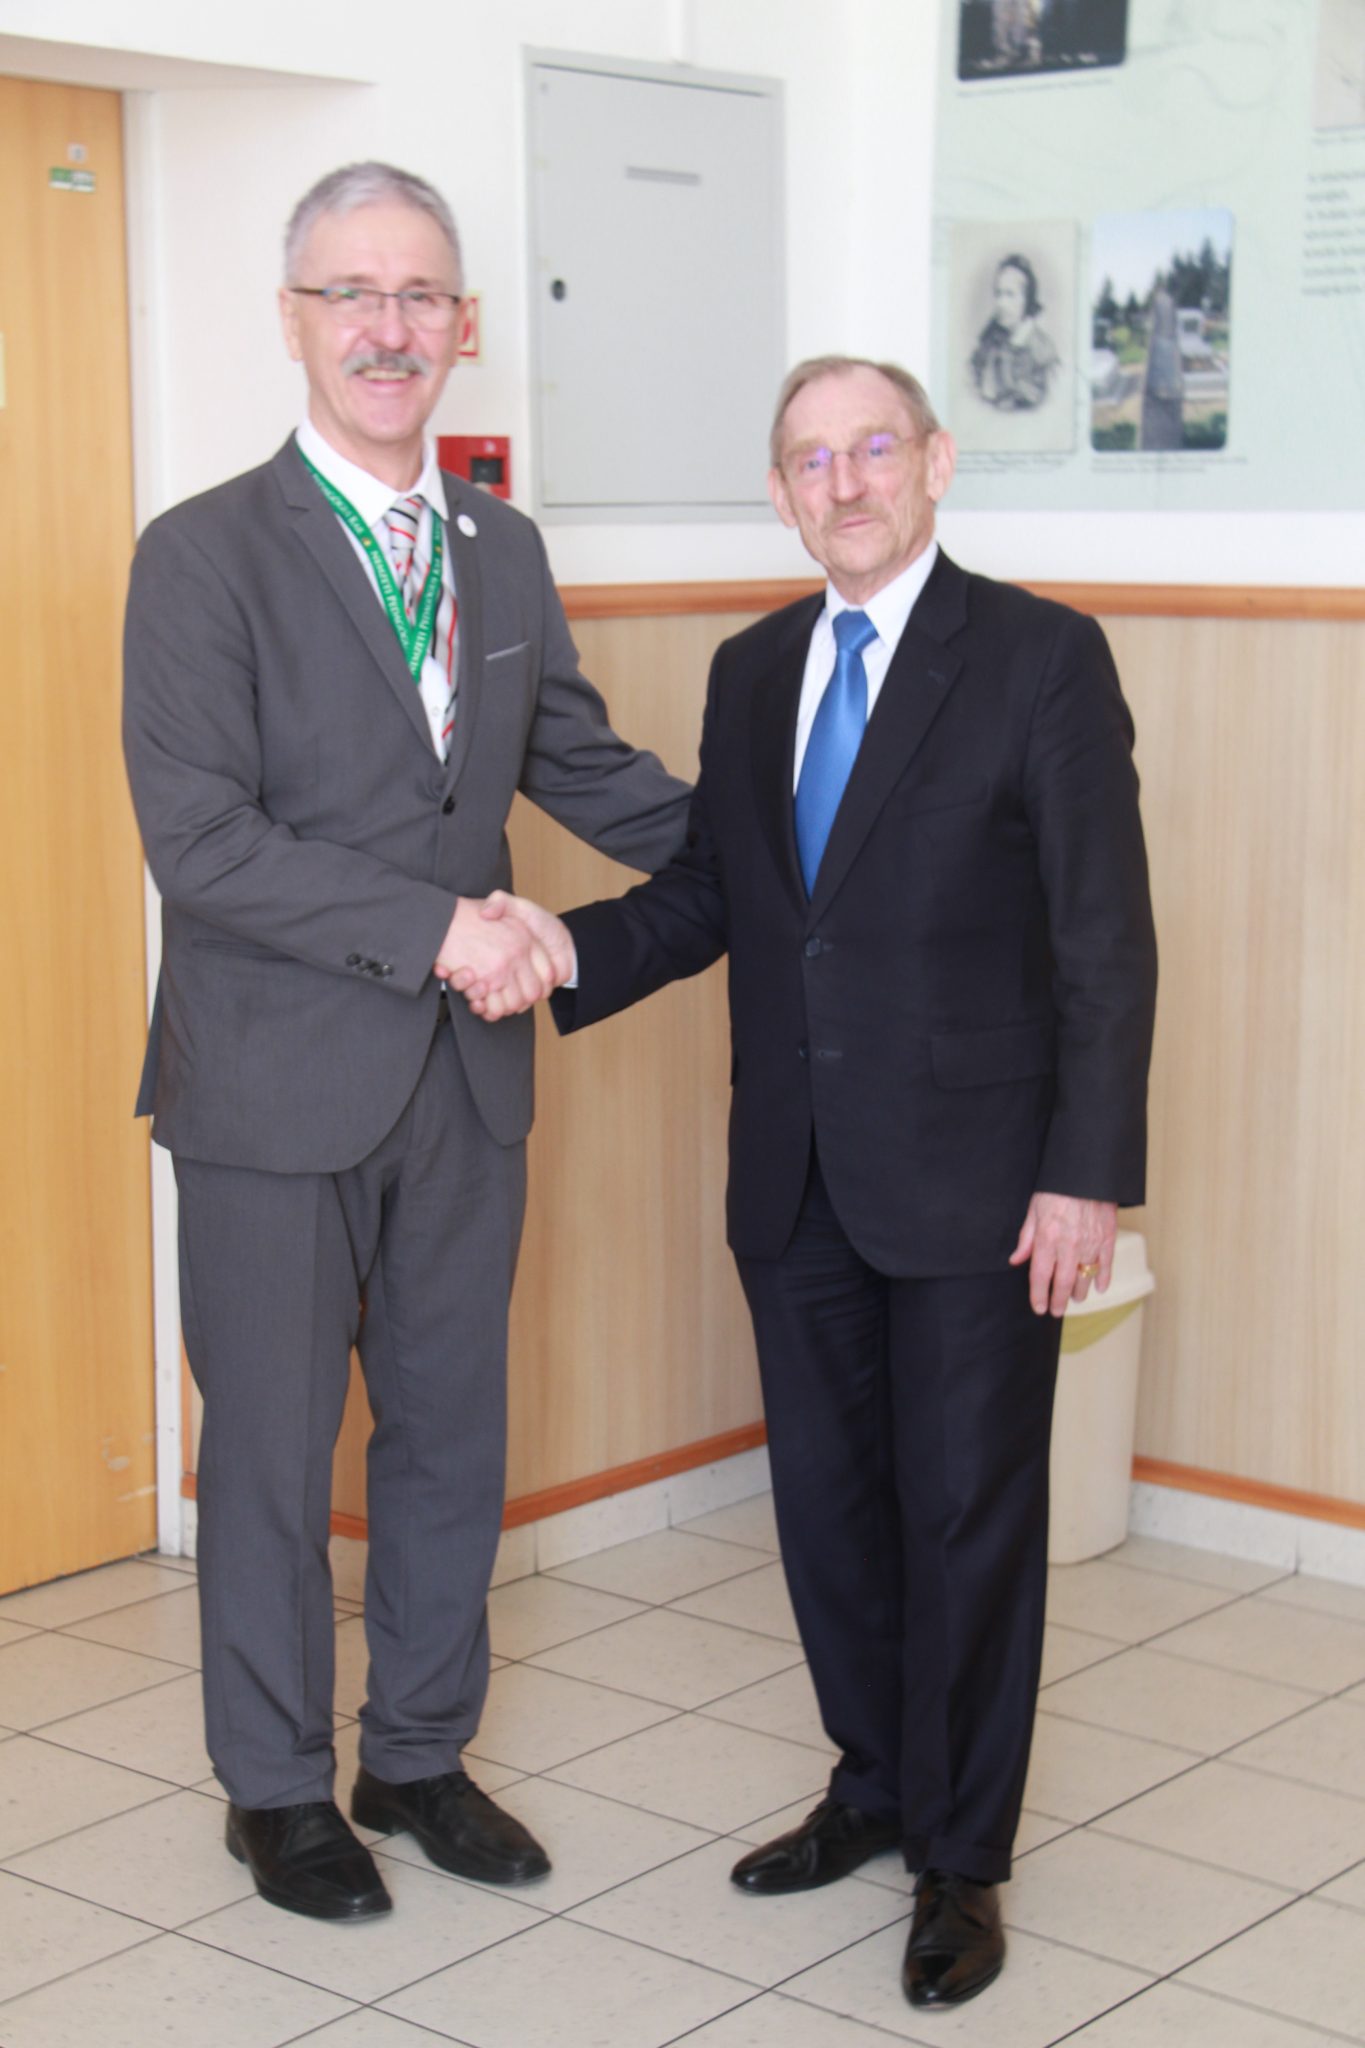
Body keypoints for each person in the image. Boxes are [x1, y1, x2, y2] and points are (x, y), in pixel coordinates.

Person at [477, 356, 1157, 2009]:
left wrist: (1087, 1177)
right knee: (832, 1511)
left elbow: (1105, 942)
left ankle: (963, 1856)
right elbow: (722, 890)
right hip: (793, 1173)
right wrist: (566, 945)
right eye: (808, 460)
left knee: (967, 1516)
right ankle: (875, 1783)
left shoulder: (1041, 657)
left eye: (870, 450)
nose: (842, 484)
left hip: (983, 1182)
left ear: (933, 463)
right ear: (781, 493)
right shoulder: (755, 665)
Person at [122, 161, 689, 1923]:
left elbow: (578, 764)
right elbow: (201, 842)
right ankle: (278, 1788)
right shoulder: (200, 552)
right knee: (275, 1456)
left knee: (450, 1437)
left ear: (464, 325)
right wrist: (445, 928)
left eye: (420, 294)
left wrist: (810, 844)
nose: (388, 327)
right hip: (271, 1084)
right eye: (351, 294)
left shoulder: (501, 549)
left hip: (463, 1083)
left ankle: (419, 1754)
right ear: (292, 321)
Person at [969, 254, 1060, 412]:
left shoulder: (1042, 350)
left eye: (1010, 294)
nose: (1001, 303)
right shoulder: (989, 343)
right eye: (998, 294)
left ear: (1027, 300)